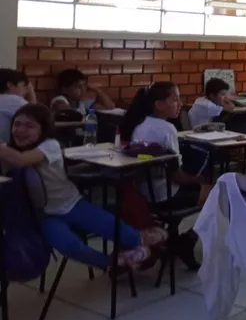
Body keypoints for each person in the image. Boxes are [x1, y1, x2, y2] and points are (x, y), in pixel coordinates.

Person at [0, 104, 158, 269]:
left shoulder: (50, 145)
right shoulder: (9, 151)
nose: (20, 130)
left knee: (128, 236)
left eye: (29, 125)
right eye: (17, 124)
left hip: (72, 205)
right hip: (45, 216)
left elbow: (22, 159)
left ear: (44, 129)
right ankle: (113, 263)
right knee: (70, 246)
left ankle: (150, 244)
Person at [120, 82, 209, 270]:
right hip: (165, 195)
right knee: (219, 194)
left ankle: (175, 239)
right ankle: (187, 240)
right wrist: (198, 180)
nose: (180, 103)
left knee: (202, 188)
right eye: (175, 99)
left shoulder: (140, 124)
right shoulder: (167, 129)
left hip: (144, 193)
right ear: (159, 104)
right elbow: (177, 176)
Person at [0, 68, 36, 143]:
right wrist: (31, 93)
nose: (26, 90)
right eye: (23, 85)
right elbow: (38, 116)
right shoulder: (14, 100)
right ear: (10, 85)